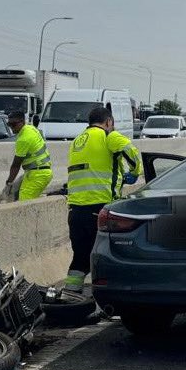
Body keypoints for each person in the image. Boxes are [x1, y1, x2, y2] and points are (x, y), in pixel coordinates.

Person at [64, 107, 141, 292]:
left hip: (75, 210)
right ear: (108, 122)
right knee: (107, 256)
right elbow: (132, 153)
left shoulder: (77, 141)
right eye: (111, 125)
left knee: (80, 256)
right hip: (100, 208)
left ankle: (70, 294)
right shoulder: (109, 136)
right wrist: (135, 173)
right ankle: (109, 298)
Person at [5, 110, 52, 200]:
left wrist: (9, 183)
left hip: (38, 174)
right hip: (38, 172)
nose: (11, 127)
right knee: (21, 198)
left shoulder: (24, 139)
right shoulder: (30, 128)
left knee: (24, 202)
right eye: (9, 124)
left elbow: (16, 165)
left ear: (22, 122)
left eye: (14, 124)